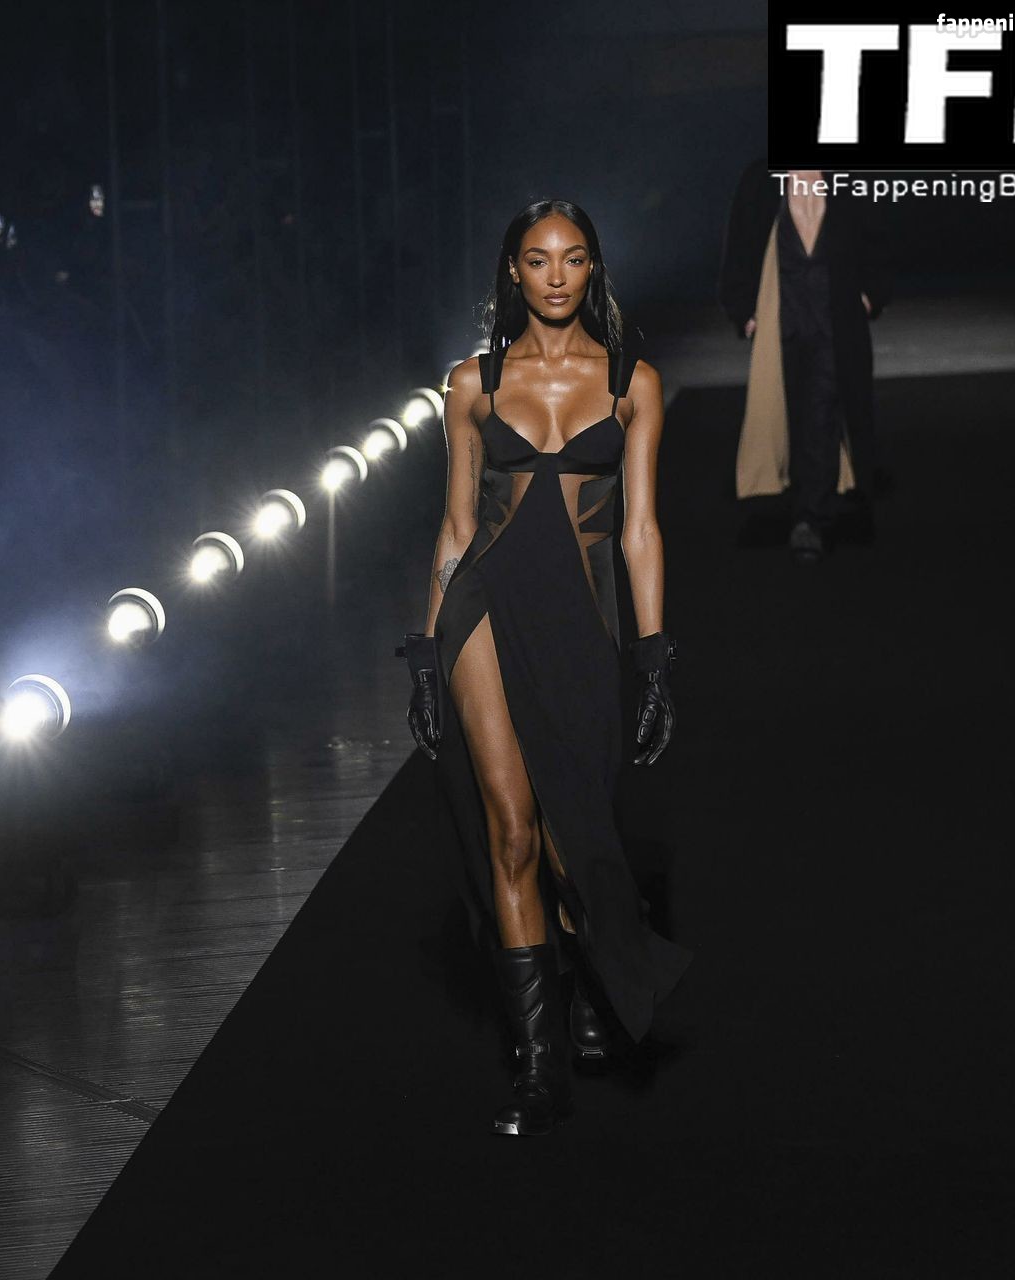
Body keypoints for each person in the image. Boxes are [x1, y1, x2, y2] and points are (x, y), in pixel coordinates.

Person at [404, 200, 692, 1137]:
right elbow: (455, 528)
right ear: (513, 272)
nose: (556, 275)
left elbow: (641, 530)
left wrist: (654, 657)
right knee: (513, 831)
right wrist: (426, 651)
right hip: (484, 611)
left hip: (583, 620)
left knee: (578, 829)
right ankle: (538, 1070)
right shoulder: (473, 384)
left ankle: (600, 982)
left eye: (573, 258)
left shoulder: (632, 383)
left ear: (593, 269)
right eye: (538, 259)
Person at [718, 164, 893, 563]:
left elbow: (876, 238)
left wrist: (871, 294)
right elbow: (740, 244)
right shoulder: (761, 181)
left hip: (835, 322)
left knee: (823, 409)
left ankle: (810, 518)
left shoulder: (849, 179)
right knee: (788, 410)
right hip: (783, 318)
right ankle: (801, 501)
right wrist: (742, 307)